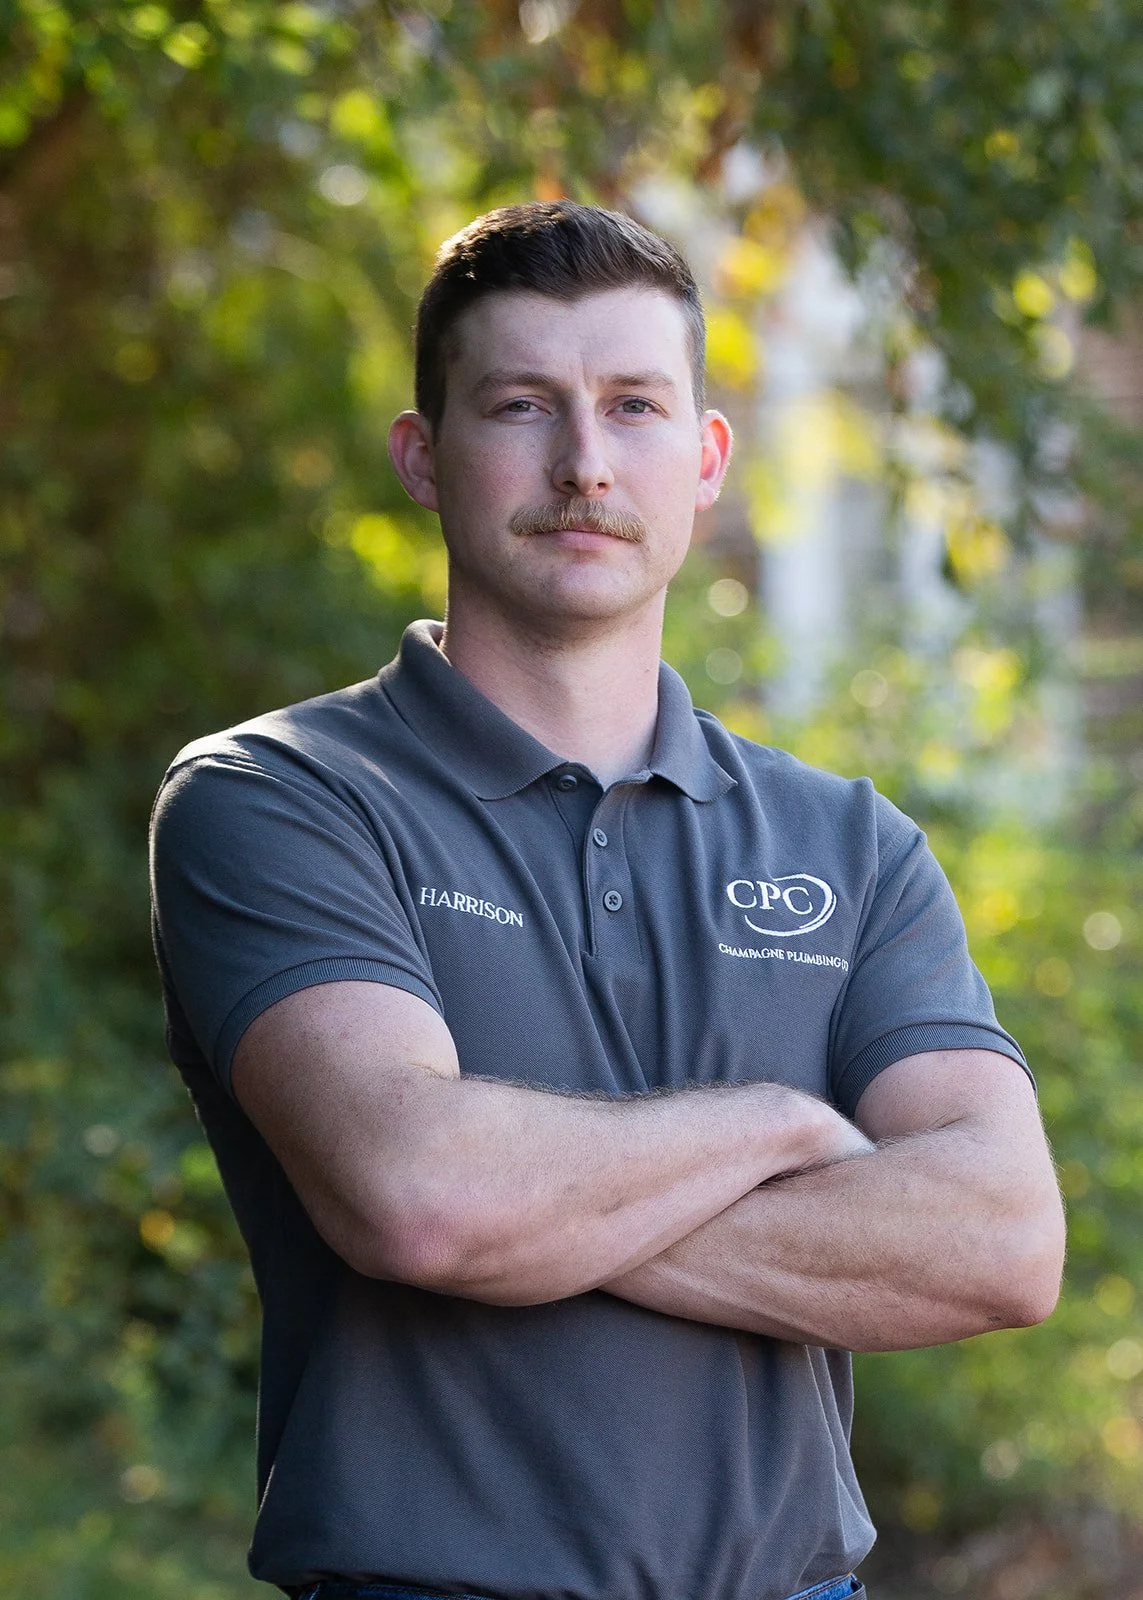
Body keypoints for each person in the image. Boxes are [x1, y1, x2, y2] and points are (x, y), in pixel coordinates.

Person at [149, 201, 1065, 1600]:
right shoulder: (279, 798)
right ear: (423, 455)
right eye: (521, 405)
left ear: (705, 460)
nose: (584, 462)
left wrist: (535, 1204)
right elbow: (419, 1201)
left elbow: (1001, 1244)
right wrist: (782, 1128)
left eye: (634, 405)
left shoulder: (850, 844)